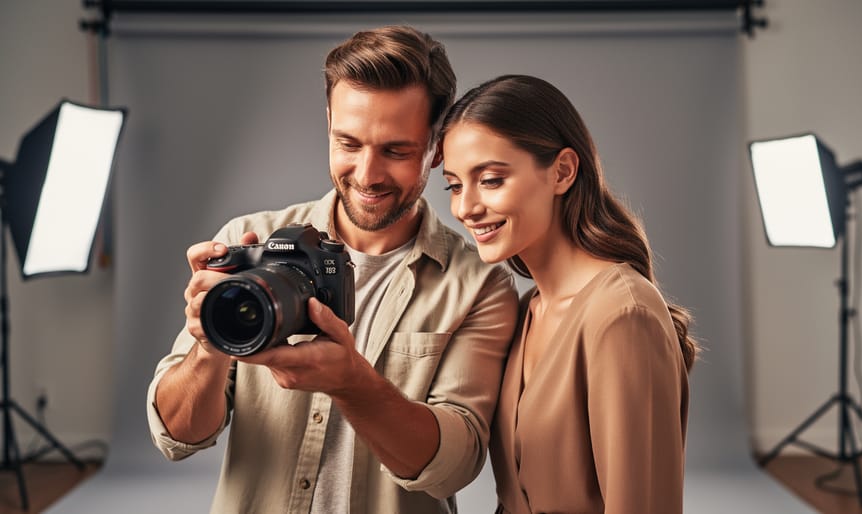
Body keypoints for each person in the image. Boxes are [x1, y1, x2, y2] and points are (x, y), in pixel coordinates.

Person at [146, 26, 518, 514]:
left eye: (396, 151)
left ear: (436, 145)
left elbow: (456, 464)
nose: (367, 175)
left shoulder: (477, 285)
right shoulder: (247, 239)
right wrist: (209, 346)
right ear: (328, 122)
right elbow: (176, 437)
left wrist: (352, 383)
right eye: (349, 143)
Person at [440, 74, 698, 514]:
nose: (465, 207)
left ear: (562, 172)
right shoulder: (526, 312)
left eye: (491, 180)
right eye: (454, 185)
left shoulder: (622, 316)